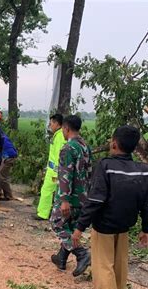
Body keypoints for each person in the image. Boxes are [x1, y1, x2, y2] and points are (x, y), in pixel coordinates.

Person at [72, 125, 148, 289]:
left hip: (104, 226)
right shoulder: (144, 171)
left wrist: (79, 227)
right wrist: (146, 229)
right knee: (120, 263)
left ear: (114, 143)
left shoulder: (106, 165)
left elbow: (95, 200)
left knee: (103, 267)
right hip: (124, 226)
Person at [50, 115, 92, 277]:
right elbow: (89, 173)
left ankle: (82, 254)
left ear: (66, 129)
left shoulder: (68, 148)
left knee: (57, 223)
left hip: (70, 197)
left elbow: (65, 175)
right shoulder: (85, 147)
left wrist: (64, 200)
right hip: (83, 197)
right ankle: (61, 258)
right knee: (70, 226)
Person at [35, 113, 66, 220]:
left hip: (55, 171)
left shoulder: (60, 136)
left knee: (48, 191)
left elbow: (59, 155)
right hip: (53, 169)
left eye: (51, 123)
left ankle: (44, 214)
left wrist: (57, 171)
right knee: (51, 191)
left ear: (57, 123)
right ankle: (47, 212)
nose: (50, 125)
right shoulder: (58, 135)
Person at [0, 132, 18, 201]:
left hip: (9, 157)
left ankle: (8, 195)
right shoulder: (3, 136)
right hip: (10, 156)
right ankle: (4, 194)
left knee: (2, 176)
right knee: (2, 175)